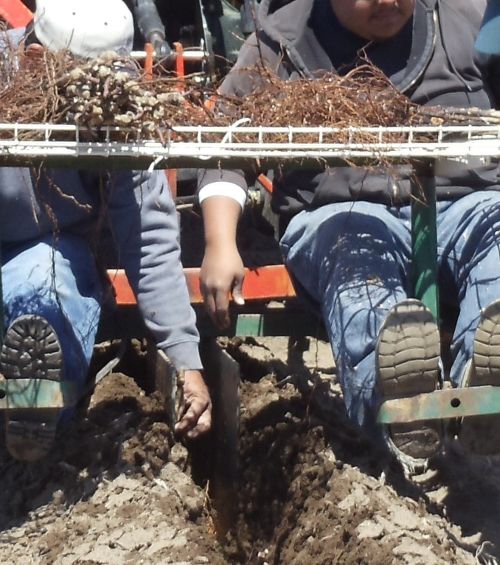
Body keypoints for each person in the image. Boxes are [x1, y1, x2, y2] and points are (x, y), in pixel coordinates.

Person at [198, 0, 500, 467]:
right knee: (357, 267)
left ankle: (488, 377)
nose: (389, 1)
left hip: (469, 199)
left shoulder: (469, 19)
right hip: (345, 211)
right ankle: (396, 399)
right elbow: (224, 147)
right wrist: (220, 244)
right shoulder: (280, 45)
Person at [0, 0, 211, 462]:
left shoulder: (117, 106)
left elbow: (149, 237)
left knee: (46, 283)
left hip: (45, 249)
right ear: (36, 58)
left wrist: (185, 359)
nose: (97, 94)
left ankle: (39, 396)